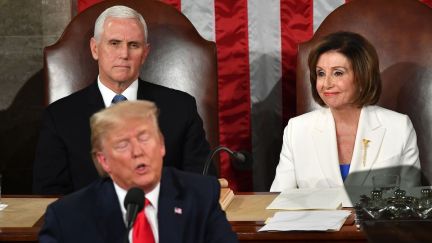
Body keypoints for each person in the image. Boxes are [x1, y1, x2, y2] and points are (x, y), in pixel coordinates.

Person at [33, 5, 214, 195]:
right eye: (114, 43)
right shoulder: (60, 116)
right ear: (95, 49)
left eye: (133, 45)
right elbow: (48, 195)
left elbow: (201, 183)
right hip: (90, 222)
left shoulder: (180, 108)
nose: (124, 54)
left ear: (145, 53)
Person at [38, 100, 238, 243]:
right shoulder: (68, 217)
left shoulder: (200, 196)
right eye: (123, 144)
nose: (137, 151)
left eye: (144, 138)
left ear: (161, 145)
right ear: (104, 161)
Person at [270, 31, 421, 191]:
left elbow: (409, 203)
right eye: (321, 73)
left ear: (363, 77)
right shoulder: (296, 129)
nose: (326, 83)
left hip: (378, 217)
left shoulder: (398, 127)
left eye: (338, 73)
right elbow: (280, 198)